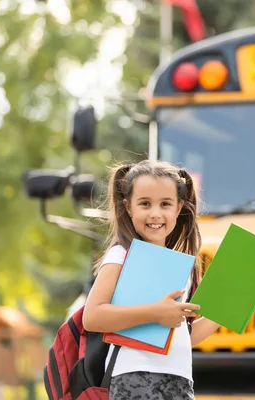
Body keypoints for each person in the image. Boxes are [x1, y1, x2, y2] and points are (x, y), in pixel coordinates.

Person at [82, 160, 220, 399]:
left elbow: (182, 336)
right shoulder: (120, 254)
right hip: (135, 379)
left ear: (179, 208)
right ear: (128, 207)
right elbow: (92, 317)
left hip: (180, 381)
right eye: (145, 204)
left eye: (165, 204)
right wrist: (156, 312)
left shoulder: (179, 266)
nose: (155, 214)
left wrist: (227, 311)